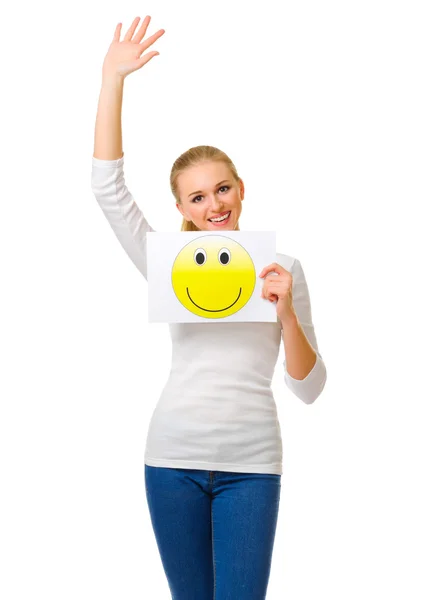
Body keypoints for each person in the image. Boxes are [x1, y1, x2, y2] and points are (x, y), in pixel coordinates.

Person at [91, 15, 327, 600]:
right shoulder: (168, 265)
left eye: (222, 188)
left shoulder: (284, 270)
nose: (214, 204)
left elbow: (310, 386)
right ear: (184, 207)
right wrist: (112, 79)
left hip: (253, 466)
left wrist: (287, 316)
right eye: (198, 197)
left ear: (240, 188)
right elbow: (108, 191)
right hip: (172, 459)